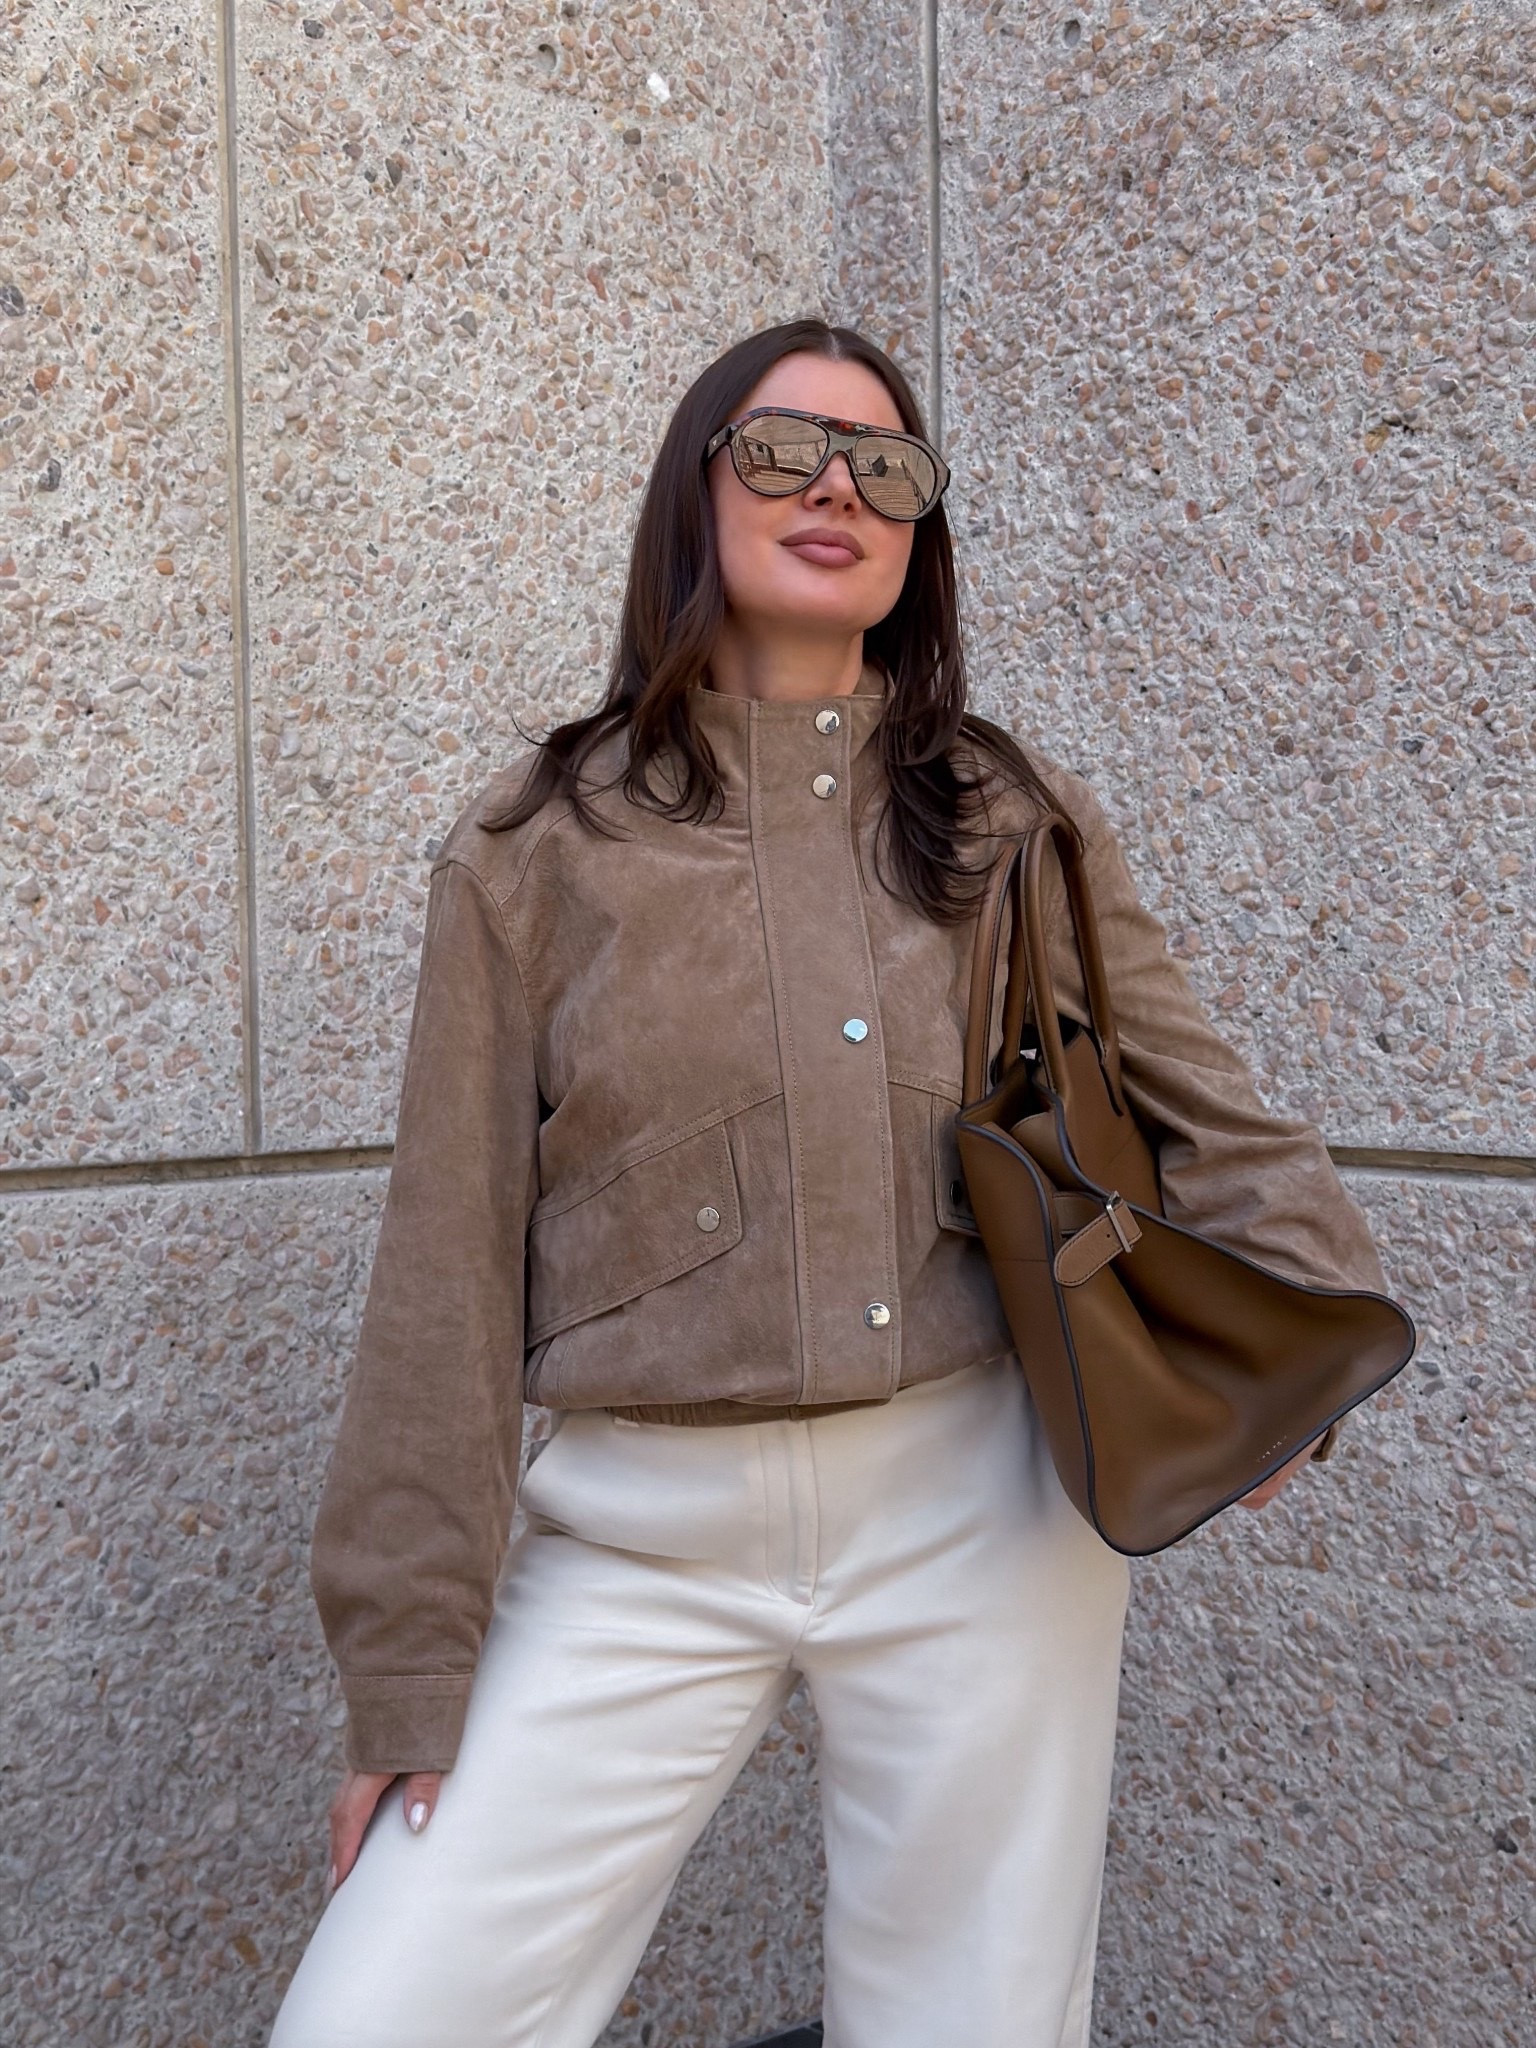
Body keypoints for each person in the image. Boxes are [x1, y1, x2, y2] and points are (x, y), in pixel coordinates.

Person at [267, 318, 1387, 2048]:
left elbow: (1198, 1101)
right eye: (783, 449)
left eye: (887, 466)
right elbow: (443, 1273)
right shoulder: (535, 846)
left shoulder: (1003, 813)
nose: (838, 490)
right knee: (380, 2017)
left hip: (982, 1512)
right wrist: (406, 1672)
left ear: (919, 538)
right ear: (694, 493)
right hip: (642, 1535)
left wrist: (1301, 1339)